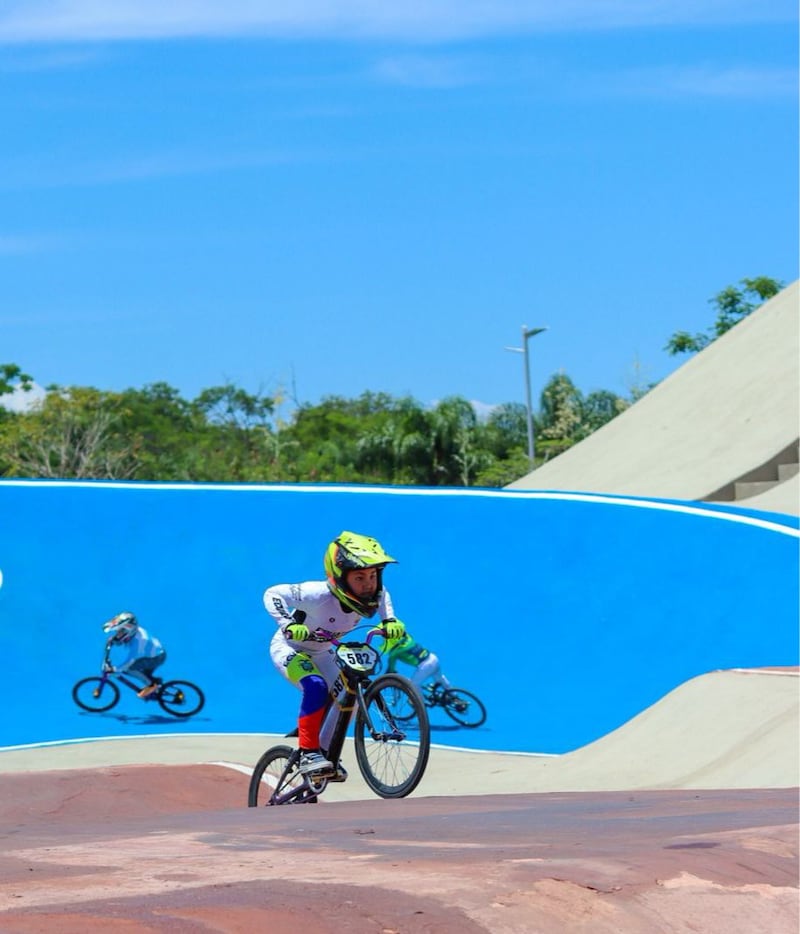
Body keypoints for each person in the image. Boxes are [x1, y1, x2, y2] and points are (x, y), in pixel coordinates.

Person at [263, 531, 405, 778]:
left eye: (373, 576)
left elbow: (383, 597)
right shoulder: (317, 593)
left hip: (322, 651)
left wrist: (389, 620)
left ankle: (326, 756)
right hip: (289, 649)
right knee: (316, 686)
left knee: (349, 696)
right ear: (340, 576)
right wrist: (287, 623)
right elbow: (273, 593)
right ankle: (309, 753)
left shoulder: (377, 594)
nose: (368, 583)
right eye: (359, 577)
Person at [102, 612, 167, 699]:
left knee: (129, 669)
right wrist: (114, 640)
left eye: (120, 631)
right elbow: (123, 639)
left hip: (156, 657)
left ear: (128, 631)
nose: (118, 634)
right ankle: (155, 684)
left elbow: (130, 661)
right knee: (143, 673)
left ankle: (152, 686)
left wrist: (116, 669)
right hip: (153, 653)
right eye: (118, 632)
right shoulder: (134, 631)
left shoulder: (139, 642)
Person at [384, 630, 450, 690]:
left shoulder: (394, 653)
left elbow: (391, 669)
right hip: (433, 657)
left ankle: (419, 702)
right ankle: (453, 695)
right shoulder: (408, 638)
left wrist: (388, 674)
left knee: (413, 686)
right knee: (439, 678)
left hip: (426, 666)